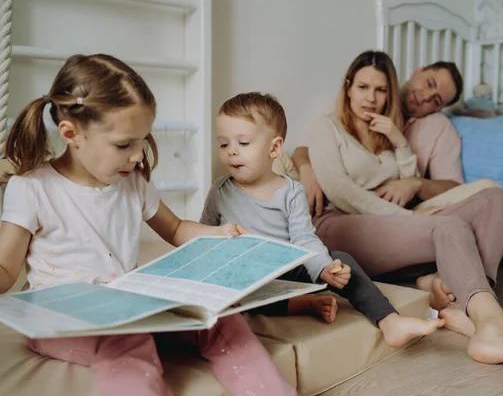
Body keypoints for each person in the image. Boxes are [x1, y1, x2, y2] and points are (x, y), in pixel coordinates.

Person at [0, 54, 295, 396]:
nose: (139, 155)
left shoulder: (132, 182)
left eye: (142, 140)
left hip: (130, 307)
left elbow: (176, 229)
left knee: (219, 318)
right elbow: (6, 267)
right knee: (127, 342)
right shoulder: (33, 188)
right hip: (60, 322)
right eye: (125, 144)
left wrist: (220, 234)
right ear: (72, 134)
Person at [301, 50, 503, 384]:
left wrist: (398, 142)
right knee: (449, 225)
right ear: (348, 87)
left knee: (496, 199)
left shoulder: (386, 131)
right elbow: (340, 190)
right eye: (364, 87)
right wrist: (409, 218)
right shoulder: (328, 126)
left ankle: (466, 306)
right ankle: (492, 325)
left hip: (391, 225)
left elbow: (407, 176)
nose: (371, 98)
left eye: (380, 90)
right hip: (339, 224)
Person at [201, 91, 444, 348]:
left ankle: (389, 321)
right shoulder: (220, 191)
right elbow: (201, 234)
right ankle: (302, 304)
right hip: (246, 274)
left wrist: (325, 268)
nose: (232, 153)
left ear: (274, 147)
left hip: (287, 269)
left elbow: (304, 238)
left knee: (342, 260)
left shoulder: (291, 191)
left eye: (243, 143)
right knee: (236, 288)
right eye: (224, 144)